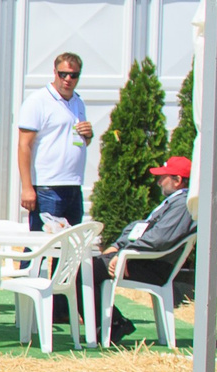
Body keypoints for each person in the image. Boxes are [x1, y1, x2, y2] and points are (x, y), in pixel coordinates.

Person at [101, 157, 198, 305]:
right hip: (143, 259)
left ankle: (111, 324)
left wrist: (125, 252)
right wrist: (118, 245)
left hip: (152, 265)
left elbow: (159, 238)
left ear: (177, 180)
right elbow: (142, 227)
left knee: (90, 268)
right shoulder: (175, 201)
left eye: (162, 178)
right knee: (89, 265)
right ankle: (111, 322)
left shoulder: (182, 205)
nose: (159, 182)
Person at [15, 52, 94, 229]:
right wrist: (27, 188)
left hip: (73, 185)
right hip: (47, 187)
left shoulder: (78, 102)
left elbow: (77, 142)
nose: (68, 79)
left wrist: (87, 135)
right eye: (63, 74)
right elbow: (23, 145)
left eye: (73, 75)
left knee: (69, 248)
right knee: (41, 245)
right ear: (55, 72)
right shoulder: (38, 101)